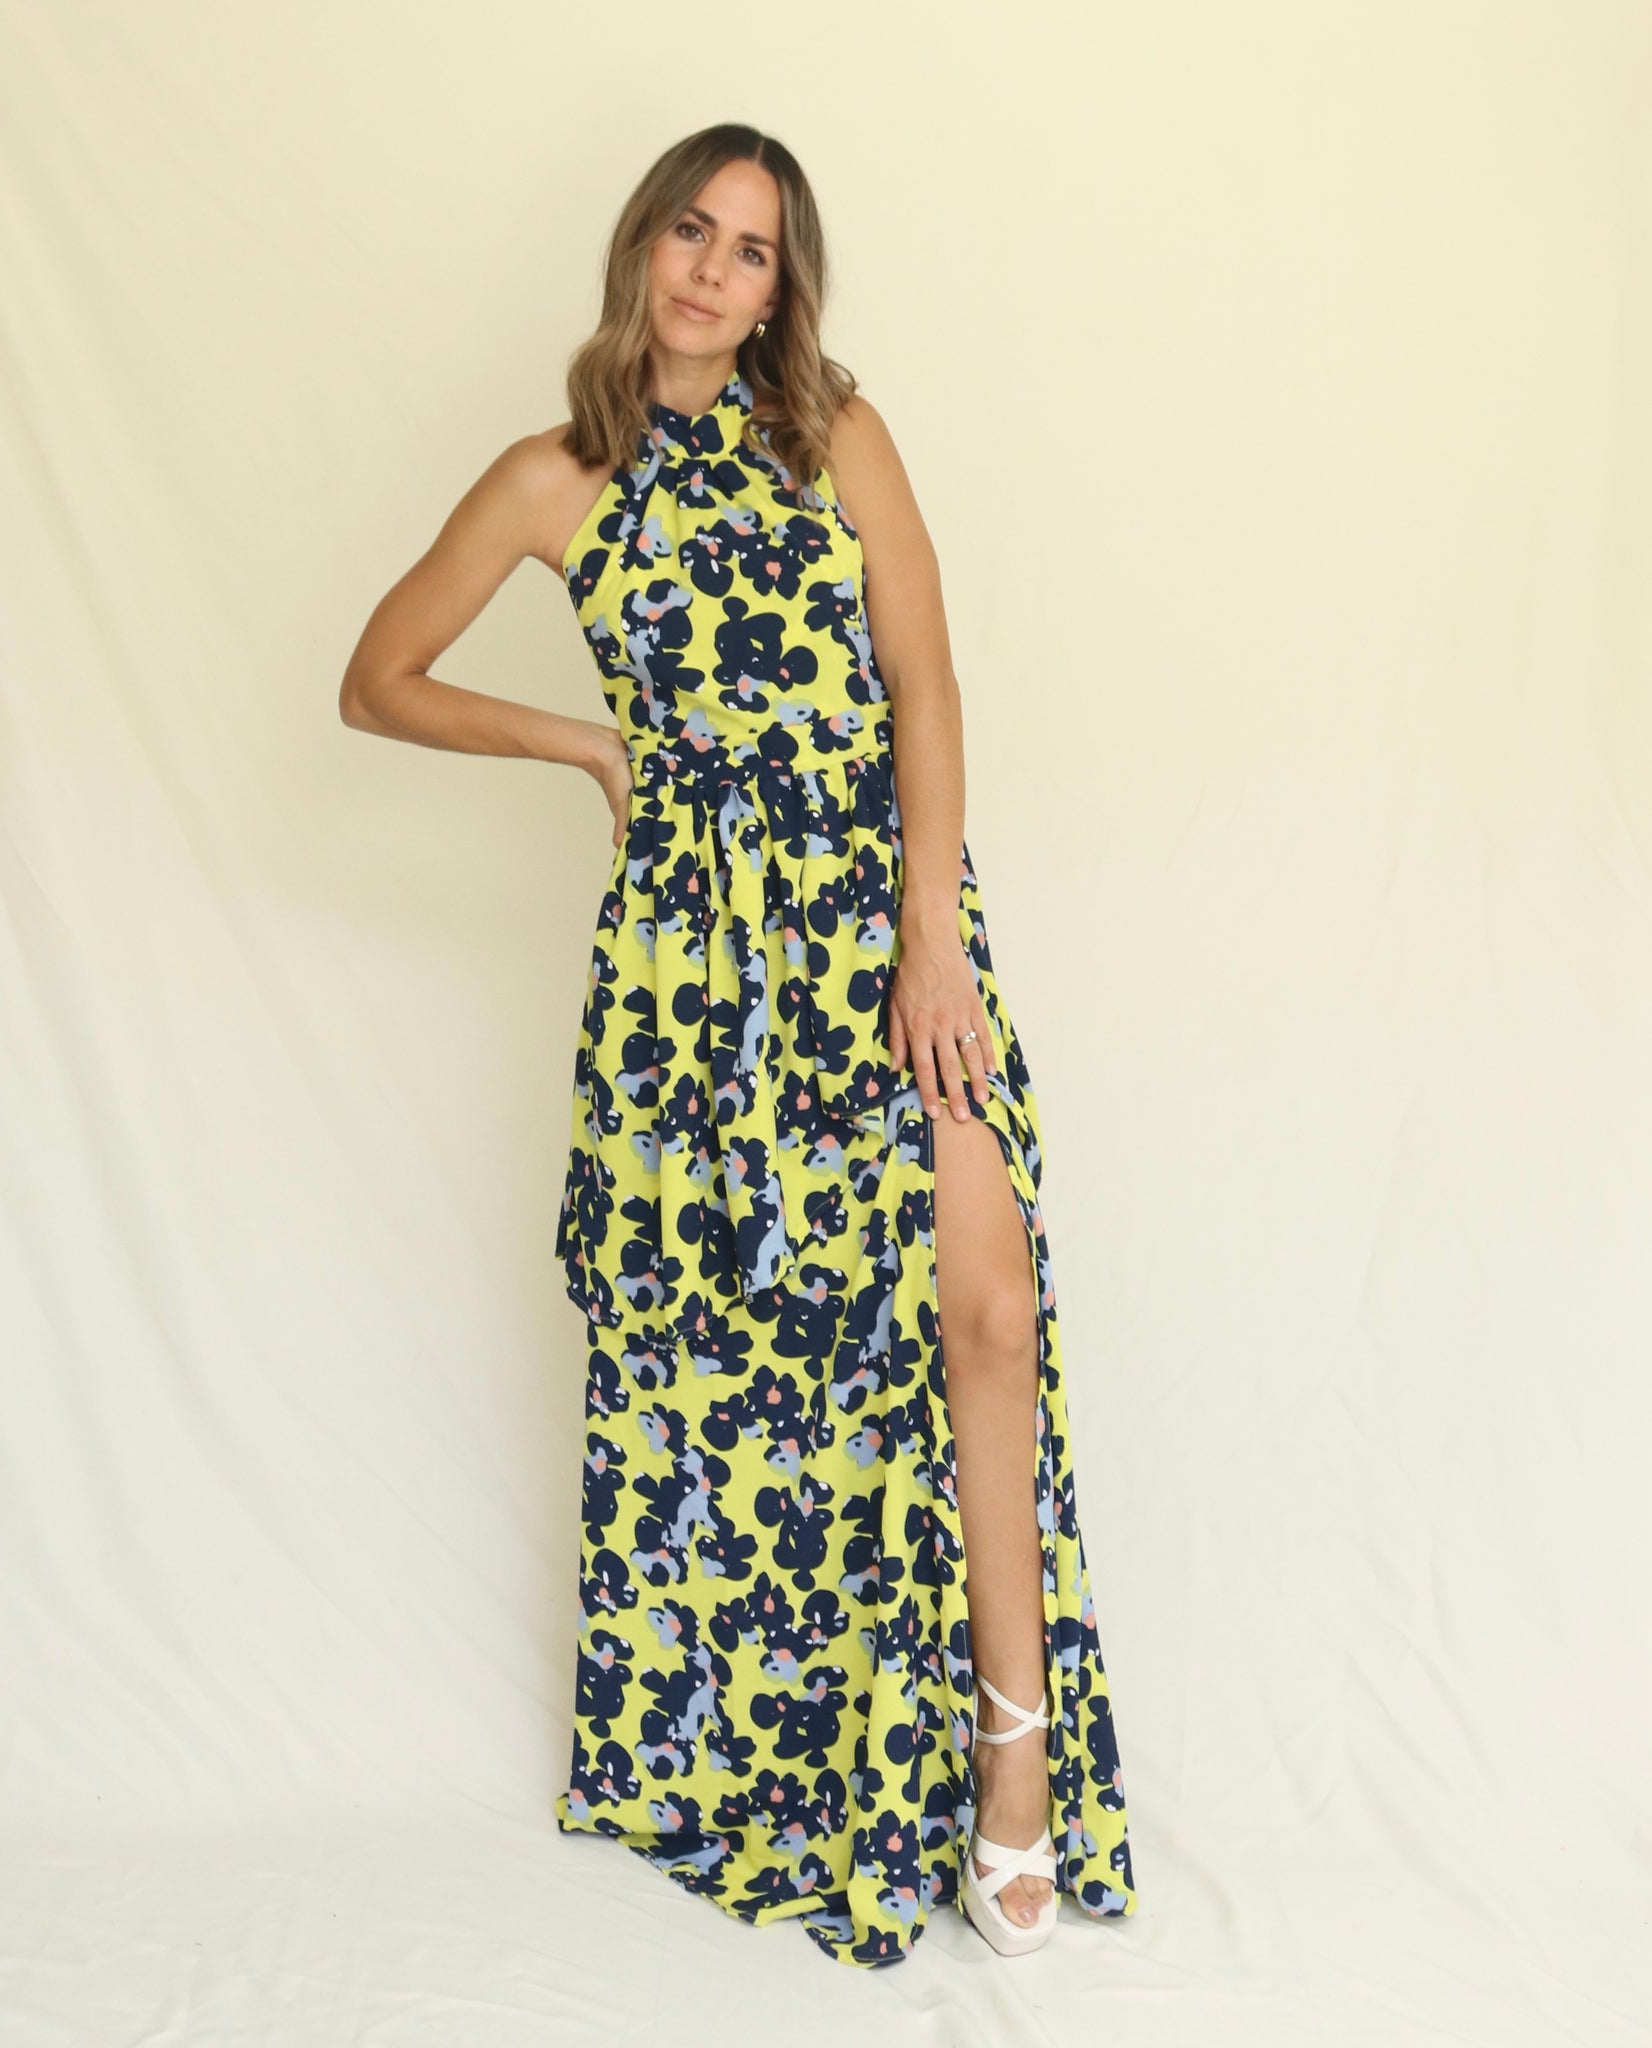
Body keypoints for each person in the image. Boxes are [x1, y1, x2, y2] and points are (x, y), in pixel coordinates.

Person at [339, 122, 1138, 1967]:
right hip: (695, 970)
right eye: (692, 231)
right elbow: (376, 678)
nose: (712, 270)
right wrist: (588, 746)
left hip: (880, 922)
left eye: (753, 250)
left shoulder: (834, 433)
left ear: (784, 290)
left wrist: (931, 942)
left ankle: (1009, 1760)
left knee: (983, 1305)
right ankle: (796, 1761)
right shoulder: (552, 479)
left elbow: (925, 683)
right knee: (761, 1362)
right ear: (644, 246)